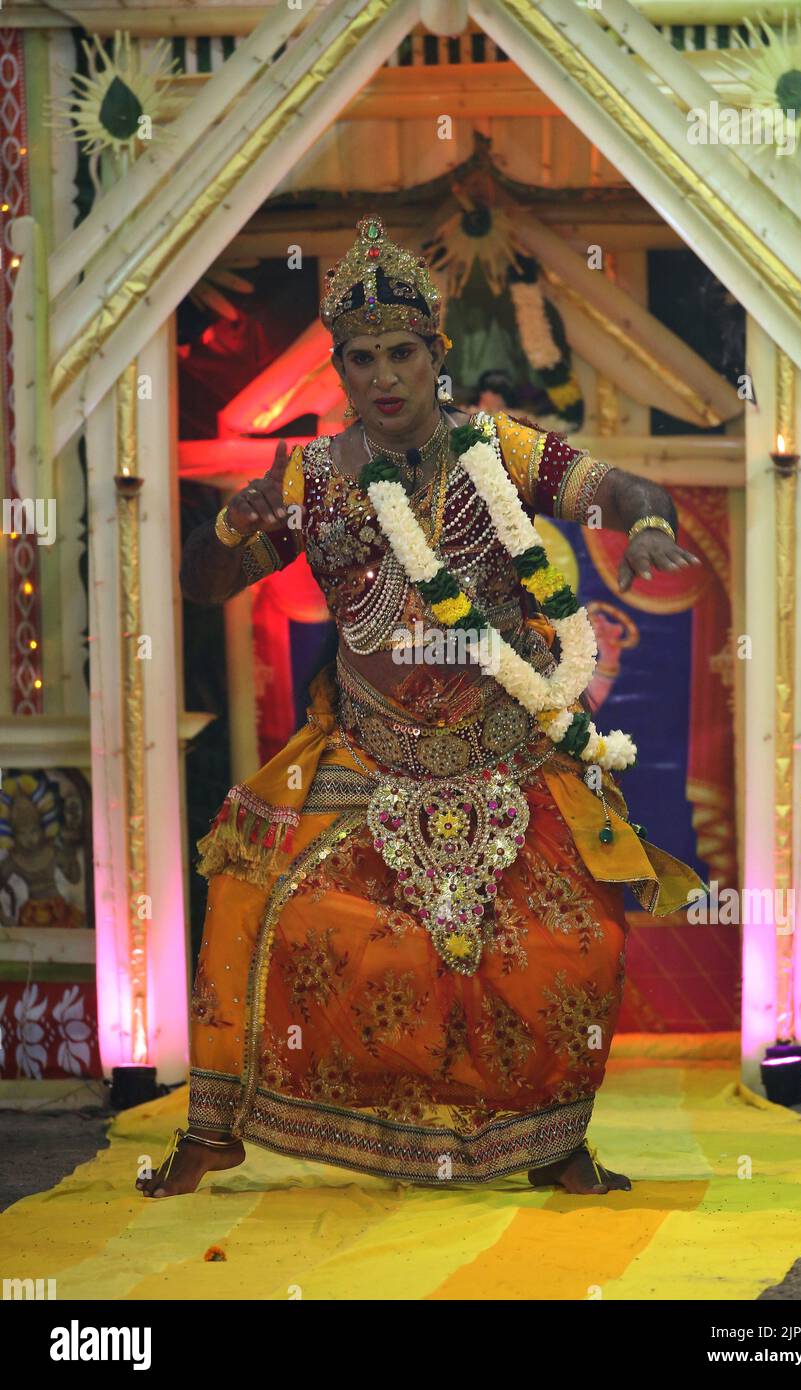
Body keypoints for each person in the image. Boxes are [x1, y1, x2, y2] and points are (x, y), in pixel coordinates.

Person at [139, 214, 705, 1200]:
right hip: (362, 750)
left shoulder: (497, 449)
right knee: (246, 892)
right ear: (342, 371)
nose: (385, 375)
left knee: (575, 945)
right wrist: (229, 525)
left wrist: (646, 519)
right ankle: (217, 1126)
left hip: (501, 749)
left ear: (435, 354)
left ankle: (553, 1141)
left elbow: (614, 484)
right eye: (363, 359)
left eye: (403, 351)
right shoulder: (305, 479)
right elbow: (201, 581)